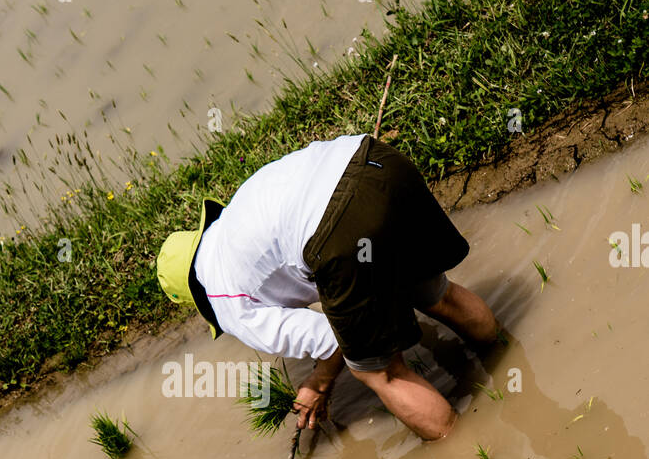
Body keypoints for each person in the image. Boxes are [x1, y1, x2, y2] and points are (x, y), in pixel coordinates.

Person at [156, 133, 500, 440]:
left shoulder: (225, 300)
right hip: (376, 161)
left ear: (196, 296)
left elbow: (330, 340)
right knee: (435, 294)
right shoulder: (238, 212)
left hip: (342, 230)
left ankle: (467, 451)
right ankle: (503, 354)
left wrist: (318, 384)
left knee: (381, 373)